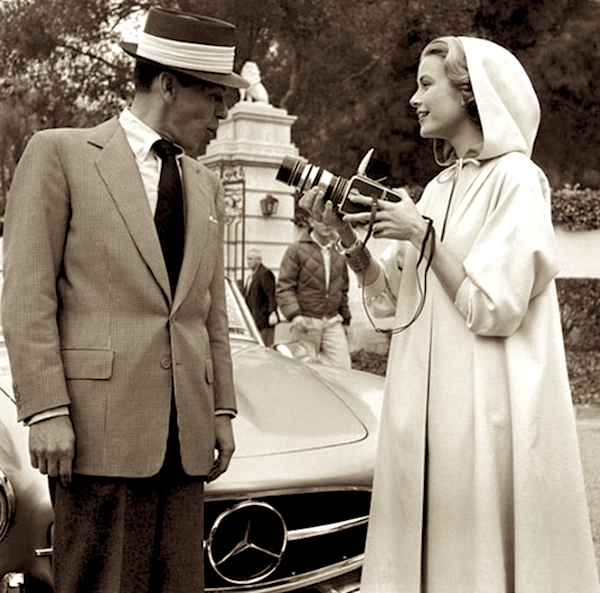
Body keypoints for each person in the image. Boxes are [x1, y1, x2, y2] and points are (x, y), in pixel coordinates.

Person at [301, 36, 600, 592]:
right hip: (427, 409)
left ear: (469, 93)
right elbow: (394, 302)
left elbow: (494, 308)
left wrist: (422, 235)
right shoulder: (437, 190)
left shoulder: (517, 180)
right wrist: (346, 238)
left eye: (426, 84)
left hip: (485, 410)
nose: (413, 99)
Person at [2, 7, 248, 593]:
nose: (223, 114)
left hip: (185, 442)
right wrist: (46, 409)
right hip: (96, 435)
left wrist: (221, 410)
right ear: (168, 84)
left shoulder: (206, 183)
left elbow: (209, 310)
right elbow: (28, 294)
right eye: (215, 96)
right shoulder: (60, 154)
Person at [276, 213, 352, 368]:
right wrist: (295, 315)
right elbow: (285, 286)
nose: (326, 224)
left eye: (329, 220)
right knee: (304, 371)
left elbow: (343, 288)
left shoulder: (338, 252)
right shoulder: (296, 250)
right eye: (320, 220)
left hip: (332, 320)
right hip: (306, 320)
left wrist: (346, 319)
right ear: (311, 221)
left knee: (343, 368)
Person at [244, 248, 279, 346]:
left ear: (258, 260)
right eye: (247, 259)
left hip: (263, 319)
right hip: (254, 317)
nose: (248, 262)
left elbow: (271, 294)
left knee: (265, 345)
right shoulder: (252, 275)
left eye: (251, 259)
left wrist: (272, 312)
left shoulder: (265, 274)